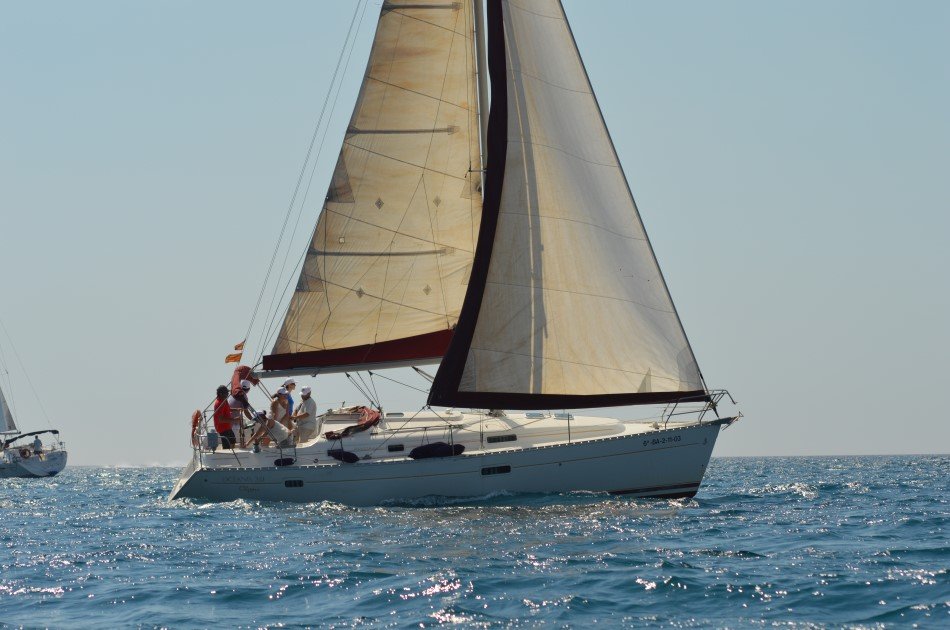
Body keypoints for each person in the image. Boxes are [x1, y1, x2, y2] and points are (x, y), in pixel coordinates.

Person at [227, 379, 256, 448]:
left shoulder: (233, 393)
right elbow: (246, 411)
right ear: (248, 389)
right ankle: (243, 445)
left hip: (228, 421)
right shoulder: (244, 396)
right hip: (234, 423)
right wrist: (253, 419)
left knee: (244, 423)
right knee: (250, 426)